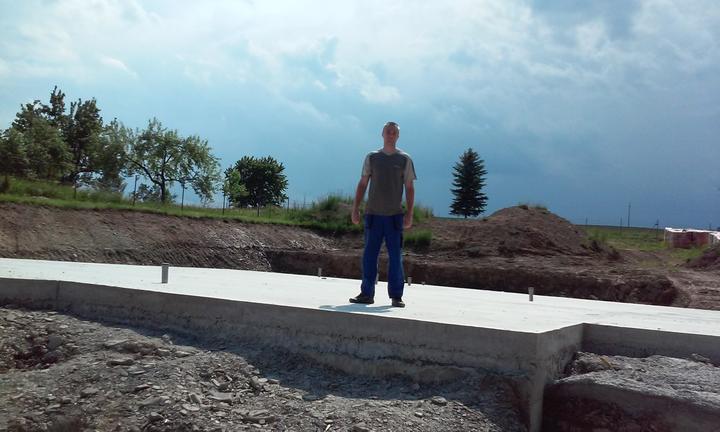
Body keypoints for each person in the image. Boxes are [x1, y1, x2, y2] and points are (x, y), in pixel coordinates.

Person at [349, 121, 416, 308]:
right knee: (369, 256)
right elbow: (363, 183)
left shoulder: (405, 159)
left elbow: (410, 187)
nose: (390, 134)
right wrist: (355, 208)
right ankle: (366, 293)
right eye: (388, 131)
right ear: (382, 134)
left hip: (394, 216)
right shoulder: (372, 157)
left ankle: (396, 296)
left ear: (398, 136)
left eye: (394, 132)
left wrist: (409, 214)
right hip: (373, 215)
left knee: (395, 257)